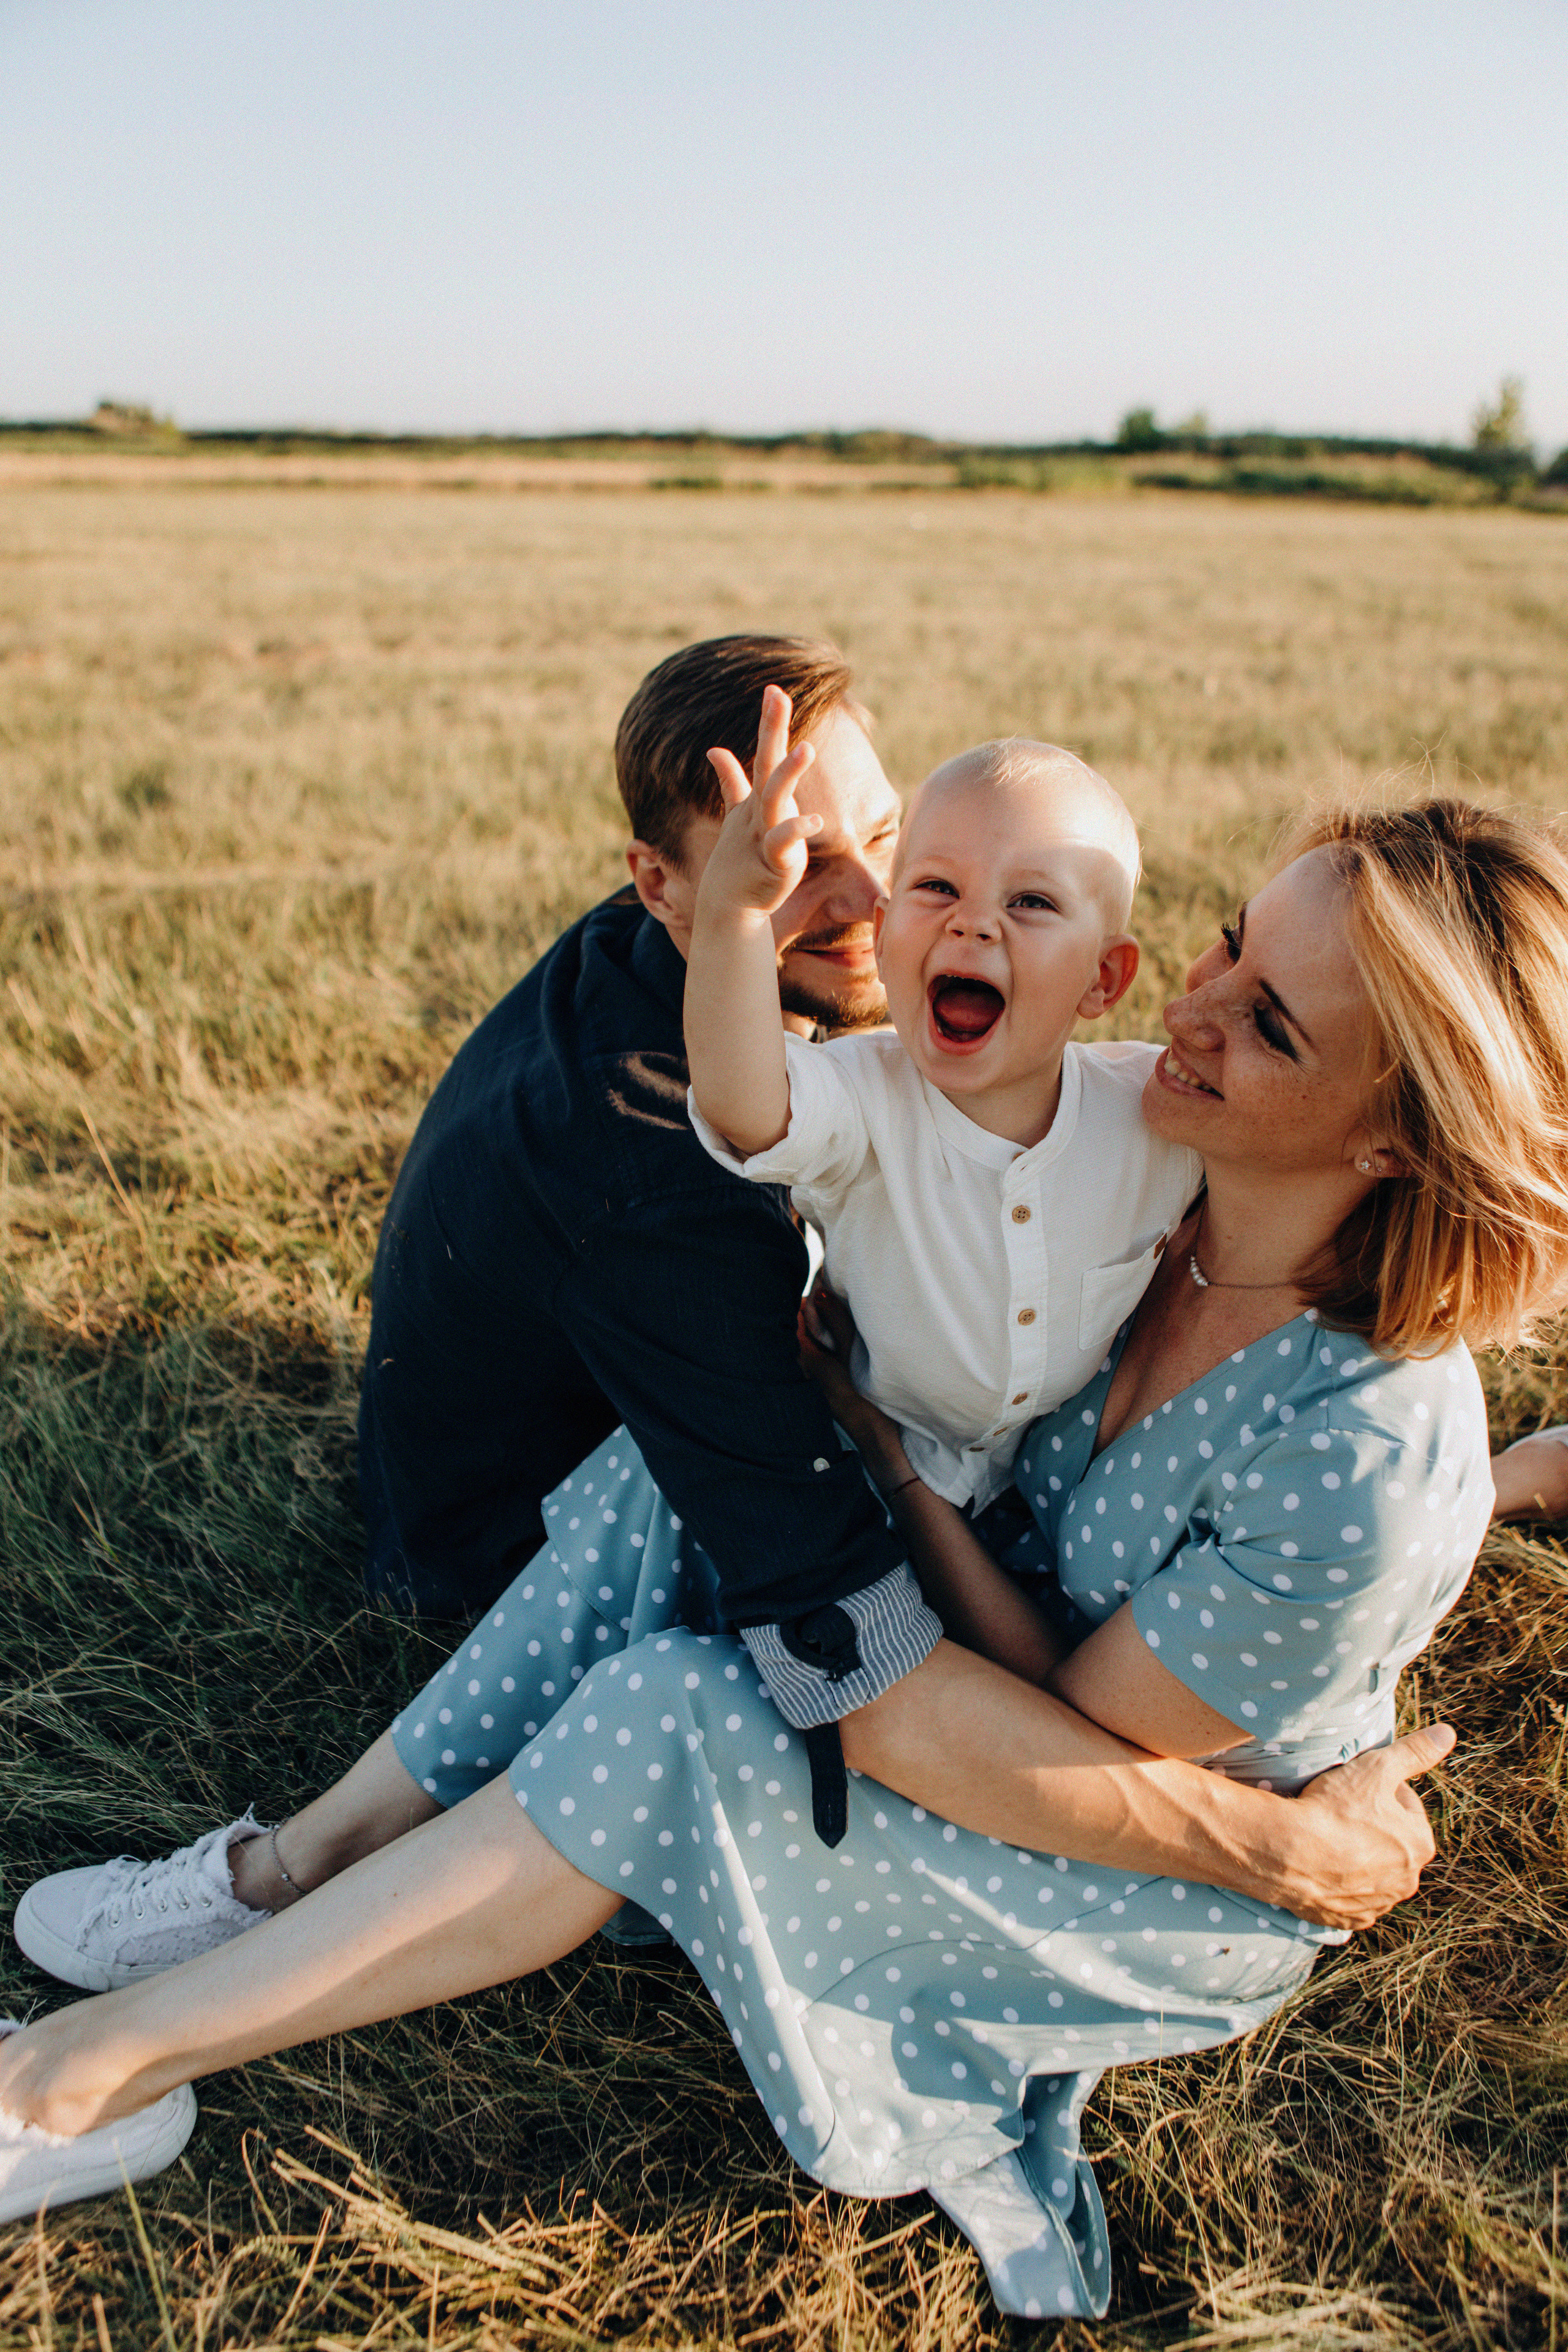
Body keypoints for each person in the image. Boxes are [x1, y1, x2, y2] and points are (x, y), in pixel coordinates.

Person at [11, 797, 1566, 2321]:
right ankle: (310, 1861)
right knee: (677, 1486)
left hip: (1132, 1840)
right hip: (1050, 1638)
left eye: (1271, 1023)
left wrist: (1262, 1844)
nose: (1195, 1004)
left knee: (682, 1710)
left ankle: (82, 2080)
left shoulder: (1361, 1460)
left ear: (1397, 1132)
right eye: (1227, 943)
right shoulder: (1161, 1175)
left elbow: (1076, 1727)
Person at [684, 710, 1198, 1521]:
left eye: (1030, 901)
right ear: (885, 938)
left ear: (1104, 978)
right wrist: (736, 915)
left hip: (1048, 1468)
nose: (973, 921)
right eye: (936, 887)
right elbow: (743, 1106)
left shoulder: (1151, 1114)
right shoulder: (864, 1096)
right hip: (853, 1466)